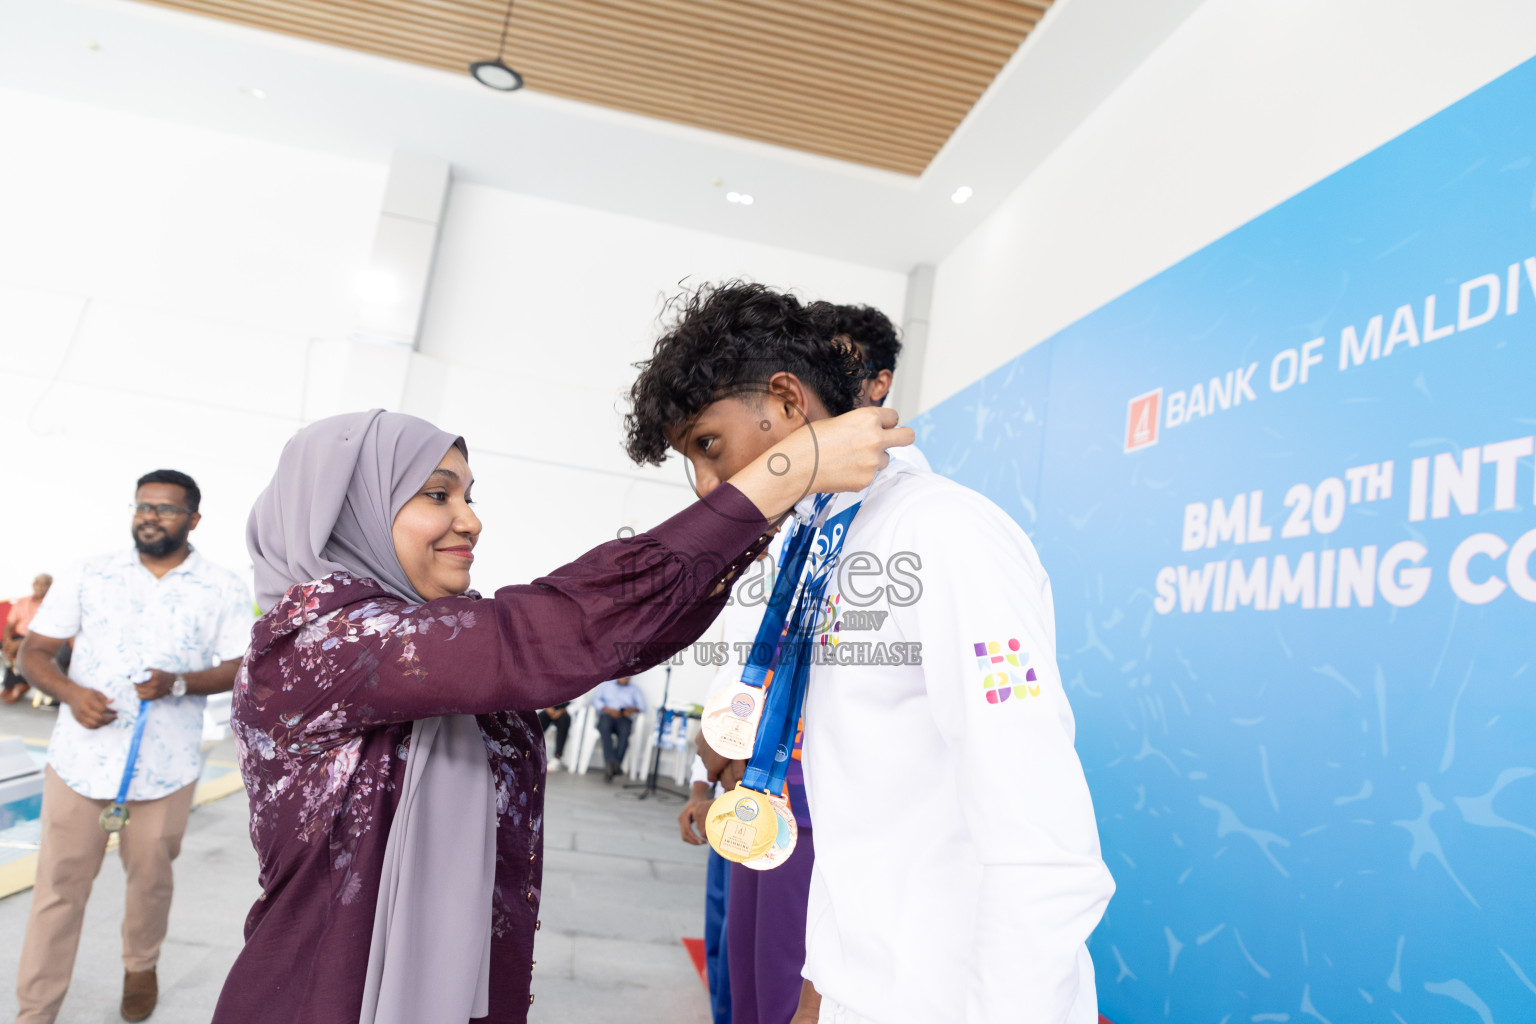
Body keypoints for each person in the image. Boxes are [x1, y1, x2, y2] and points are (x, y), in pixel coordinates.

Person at [213, 405, 909, 1024]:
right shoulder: (316, 645)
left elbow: (616, 640)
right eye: (436, 495)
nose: (470, 518)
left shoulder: (423, 643)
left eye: (469, 495)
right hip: (321, 996)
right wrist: (786, 472)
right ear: (348, 510)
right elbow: (552, 631)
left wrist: (774, 506)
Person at [627, 283, 1115, 1024]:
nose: (705, 483)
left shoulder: (945, 535)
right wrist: (819, 992)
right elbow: (858, 814)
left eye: (708, 445)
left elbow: (1041, 845)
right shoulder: (824, 545)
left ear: (788, 403)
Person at [676, 297, 925, 1024]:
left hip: (826, 800)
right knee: (744, 984)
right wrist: (712, 756)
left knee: (793, 988)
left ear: (877, 385)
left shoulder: (922, 519)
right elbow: (758, 638)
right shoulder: (799, 516)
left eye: (840, 366)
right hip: (759, 777)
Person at [13, 471, 252, 1024]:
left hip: (165, 766)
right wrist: (71, 693)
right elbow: (36, 653)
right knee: (58, 890)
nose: (150, 516)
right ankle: (35, 1011)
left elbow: (243, 666)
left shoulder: (220, 587)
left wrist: (180, 683)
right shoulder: (89, 573)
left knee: (150, 881)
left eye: (166, 509)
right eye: (143, 506)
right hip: (79, 762)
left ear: (193, 520)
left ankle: (140, 964)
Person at [2, 573, 51, 704]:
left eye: (45, 584)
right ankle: (10, 685)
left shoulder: (53, 605)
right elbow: (10, 624)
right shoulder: (22, 601)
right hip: (17, 636)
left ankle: (21, 684)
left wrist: (20, 643)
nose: (41, 587)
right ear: (33, 585)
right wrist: (8, 640)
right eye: (38, 583)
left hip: (39, 639)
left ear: (51, 586)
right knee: (6, 648)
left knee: (27, 650)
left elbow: (48, 632)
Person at [591, 675, 645, 781]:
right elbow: (595, 700)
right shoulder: (606, 684)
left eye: (628, 677)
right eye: (624, 676)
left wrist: (632, 709)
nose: (626, 679)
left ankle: (611, 766)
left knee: (625, 734)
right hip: (607, 715)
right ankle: (613, 764)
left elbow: (643, 706)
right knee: (604, 729)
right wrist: (607, 709)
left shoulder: (635, 689)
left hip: (623, 718)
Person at [536, 702, 572, 770]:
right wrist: (547, 707)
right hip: (549, 708)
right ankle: (531, 752)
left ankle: (557, 757)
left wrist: (561, 711)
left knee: (564, 721)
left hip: (564, 712)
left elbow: (578, 703)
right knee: (537, 721)